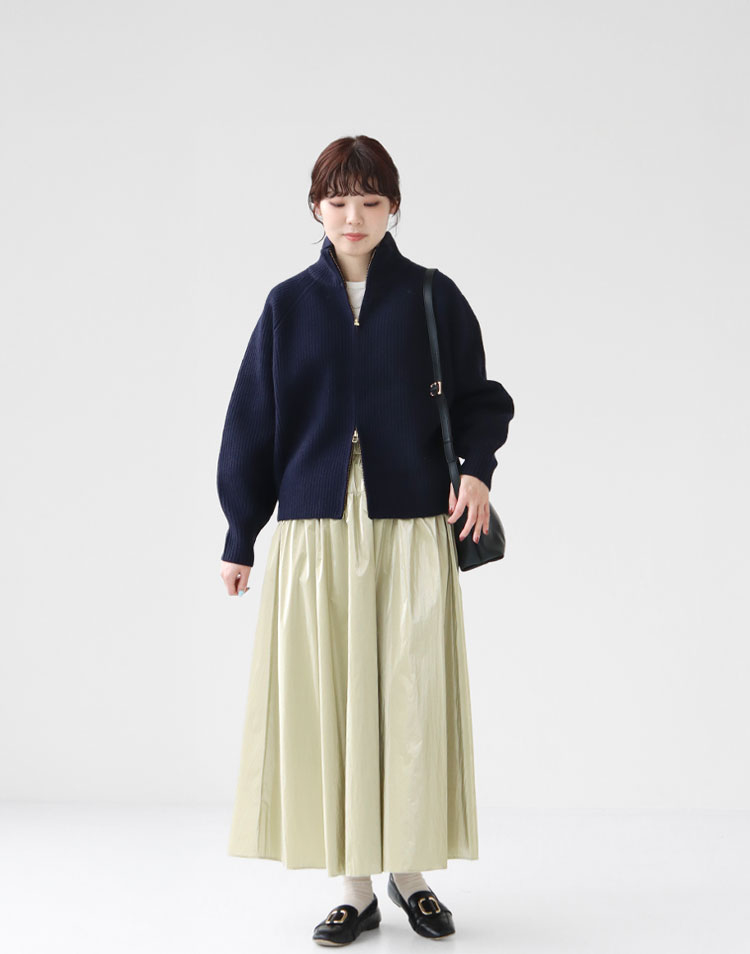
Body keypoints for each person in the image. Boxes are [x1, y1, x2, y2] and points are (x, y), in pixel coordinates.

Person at [216, 134, 514, 945]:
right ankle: (353, 891)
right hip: (314, 527)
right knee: (329, 703)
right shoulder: (287, 305)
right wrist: (241, 534)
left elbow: (483, 399)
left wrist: (476, 472)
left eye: (370, 201)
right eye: (339, 200)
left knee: (410, 696)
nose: (353, 215)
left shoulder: (430, 295)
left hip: (412, 522)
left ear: (393, 208)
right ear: (316, 207)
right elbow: (251, 425)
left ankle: (410, 876)